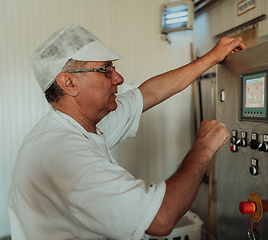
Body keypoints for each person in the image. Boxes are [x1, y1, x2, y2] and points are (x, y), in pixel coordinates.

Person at [7, 24, 245, 240]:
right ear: (68, 83)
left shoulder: (83, 123)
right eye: (106, 70)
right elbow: (161, 218)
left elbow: (149, 93)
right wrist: (204, 146)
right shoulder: (65, 153)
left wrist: (211, 58)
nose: (118, 78)